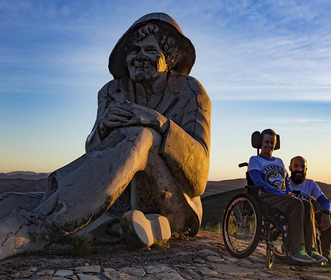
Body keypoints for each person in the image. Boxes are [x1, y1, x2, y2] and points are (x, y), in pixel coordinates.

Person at [0, 13, 211, 260]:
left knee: (141, 135)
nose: (140, 57)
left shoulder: (190, 91)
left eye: (150, 50)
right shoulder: (113, 91)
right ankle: (141, 227)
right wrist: (101, 129)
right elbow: (94, 161)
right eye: (134, 51)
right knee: (10, 201)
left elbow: (199, 180)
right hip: (117, 200)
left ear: (169, 58)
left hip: (173, 200)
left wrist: (159, 123)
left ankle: (32, 230)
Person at [248, 129, 327, 264]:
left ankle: (311, 249)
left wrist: (288, 191)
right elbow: (258, 181)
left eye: (272, 143)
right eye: (266, 142)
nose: (269, 145)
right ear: (261, 143)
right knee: (296, 204)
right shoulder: (255, 160)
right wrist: (277, 192)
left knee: (307, 204)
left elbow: (286, 181)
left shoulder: (279, 161)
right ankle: (297, 251)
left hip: (282, 197)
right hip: (267, 196)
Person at [289, 156, 331, 265]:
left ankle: (324, 254)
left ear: (306, 170)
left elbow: (326, 201)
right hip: (291, 219)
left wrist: (326, 212)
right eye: (296, 166)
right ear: (290, 168)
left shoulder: (310, 184)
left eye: (303, 167)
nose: (299, 169)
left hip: (309, 219)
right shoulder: (285, 183)